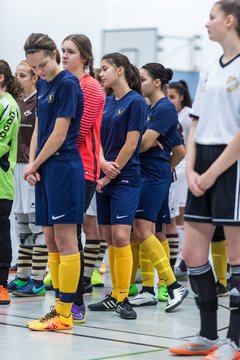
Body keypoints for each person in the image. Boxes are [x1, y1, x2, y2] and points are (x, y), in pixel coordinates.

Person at [169, 1, 240, 358]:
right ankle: (208, 335)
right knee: (192, 251)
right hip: (203, 160)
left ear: (229, 20)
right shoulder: (210, 67)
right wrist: (194, 169)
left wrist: (213, 173)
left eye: (211, 17)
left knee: (236, 257)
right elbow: (195, 122)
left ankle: (236, 341)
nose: (206, 22)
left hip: (232, 163)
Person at [23, 33, 85, 331]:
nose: (40, 71)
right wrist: (34, 165)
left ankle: (65, 311)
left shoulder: (68, 84)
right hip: (45, 167)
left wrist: (35, 164)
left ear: (54, 55)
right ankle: (58, 307)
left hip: (63, 166)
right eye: (35, 68)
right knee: (49, 239)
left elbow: (59, 134)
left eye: (43, 64)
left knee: (65, 239)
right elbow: (39, 129)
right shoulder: (43, 83)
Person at [88, 52, 147, 320]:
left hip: (125, 177)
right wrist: (100, 162)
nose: (101, 74)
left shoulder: (136, 101)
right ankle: (114, 295)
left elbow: (131, 143)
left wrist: (110, 174)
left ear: (120, 70)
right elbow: (96, 138)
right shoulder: (106, 102)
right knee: (110, 238)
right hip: (105, 176)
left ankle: (123, 297)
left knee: (123, 236)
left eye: (105, 69)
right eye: (100, 70)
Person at [129, 63, 188, 312]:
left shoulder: (164, 108)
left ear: (156, 82)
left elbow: (142, 144)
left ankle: (172, 285)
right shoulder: (149, 107)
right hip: (149, 173)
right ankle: (148, 290)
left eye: (142, 78)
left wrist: (163, 165)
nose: (138, 82)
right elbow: (180, 149)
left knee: (143, 230)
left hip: (152, 175)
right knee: (148, 231)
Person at [61, 33, 105, 323]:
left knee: (72, 232)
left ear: (85, 58)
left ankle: (76, 301)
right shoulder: (62, 83)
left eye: (70, 51)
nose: (64, 56)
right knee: (56, 234)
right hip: (59, 164)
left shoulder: (91, 88)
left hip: (82, 167)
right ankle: (63, 299)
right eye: (62, 51)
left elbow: (75, 131)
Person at [8, 60, 48, 297]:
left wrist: (36, 165)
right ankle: (22, 277)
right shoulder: (14, 102)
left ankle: (38, 279)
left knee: (37, 226)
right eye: (16, 74)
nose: (18, 78)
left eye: (23, 75)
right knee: (21, 224)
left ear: (34, 77)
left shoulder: (40, 101)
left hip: (33, 167)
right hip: (16, 167)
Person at [0, 60, 21, 304]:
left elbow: (2, 144)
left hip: (2, 185)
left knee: (1, 235)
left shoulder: (9, 106)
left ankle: (2, 285)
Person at [167, 80, 192, 276]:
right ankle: (182, 258)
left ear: (182, 97)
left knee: (180, 217)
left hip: (185, 166)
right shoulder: (172, 114)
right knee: (175, 216)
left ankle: (184, 259)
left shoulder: (189, 115)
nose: (170, 101)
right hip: (176, 168)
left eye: (173, 97)